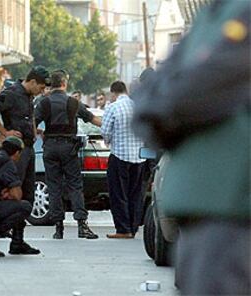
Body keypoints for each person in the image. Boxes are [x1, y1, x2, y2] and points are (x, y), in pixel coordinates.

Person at [133, 2, 250, 294]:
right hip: (202, 211)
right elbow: (154, 86)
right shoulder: (213, 15)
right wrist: (154, 110)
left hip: (233, 208)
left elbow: (211, 80)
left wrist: (159, 111)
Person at [0, 65, 51, 255]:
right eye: (41, 87)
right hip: (15, 153)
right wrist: (4, 132)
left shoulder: (29, 96)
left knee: (27, 196)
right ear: (32, 81)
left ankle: (18, 240)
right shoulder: (11, 93)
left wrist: (34, 129)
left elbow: (28, 117)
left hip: (28, 150)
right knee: (14, 195)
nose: (43, 91)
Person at [35, 70, 101, 239]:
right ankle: (81, 225)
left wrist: (40, 132)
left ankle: (58, 228)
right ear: (65, 83)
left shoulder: (44, 102)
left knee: (54, 186)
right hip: (69, 148)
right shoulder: (73, 102)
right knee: (75, 185)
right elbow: (93, 119)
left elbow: (30, 123)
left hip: (50, 147)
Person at [101, 81, 145, 239]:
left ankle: (122, 229)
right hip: (139, 158)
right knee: (135, 194)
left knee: (119, 194)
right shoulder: (138, 106)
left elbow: (105, 131)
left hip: (119, 155)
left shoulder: (113, 107)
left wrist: (110, 140)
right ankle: (133, 228)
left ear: (113, 93)